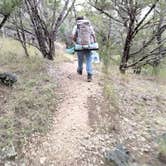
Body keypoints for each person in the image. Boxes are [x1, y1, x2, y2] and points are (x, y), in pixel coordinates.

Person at [72, 16, 96, 82]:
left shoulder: (76, 26)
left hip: (80, 45)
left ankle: (80, 70)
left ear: (77, 21)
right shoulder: (89, 25)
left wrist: (75, 42)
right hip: (89, 45)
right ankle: (89, 75)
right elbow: (93, 35)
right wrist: (94, 42)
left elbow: (73, 36)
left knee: (80, 58)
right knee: (88, 60)